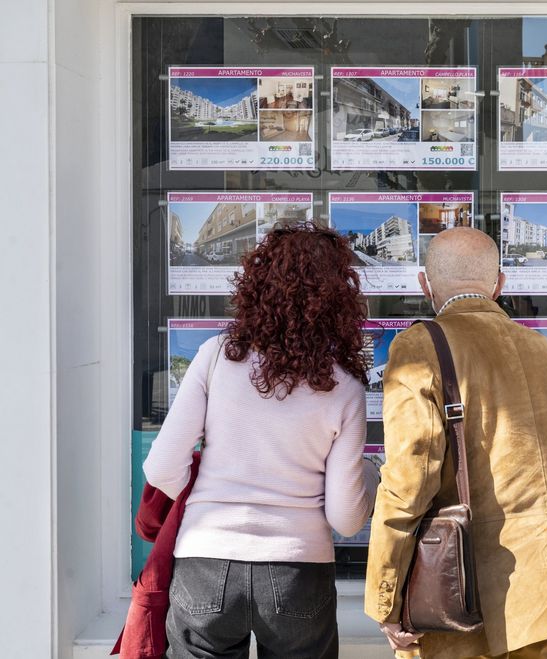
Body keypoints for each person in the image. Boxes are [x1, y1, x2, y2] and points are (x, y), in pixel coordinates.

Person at [365, 228, 547, 658]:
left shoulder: (419, 347)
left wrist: (384, 598)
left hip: (465, 595)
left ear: (424, 285)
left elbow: (407, 485)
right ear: (499, 284)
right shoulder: (544, 350)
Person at [144, 224, 379, 659]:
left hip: (205, 560)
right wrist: (369, 476)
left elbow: (160, 468)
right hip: (298, 570)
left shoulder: (216, 356)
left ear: (257, 285)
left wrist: (211, 501)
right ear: (337, 299)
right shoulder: (344, 386)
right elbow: (346, 519)